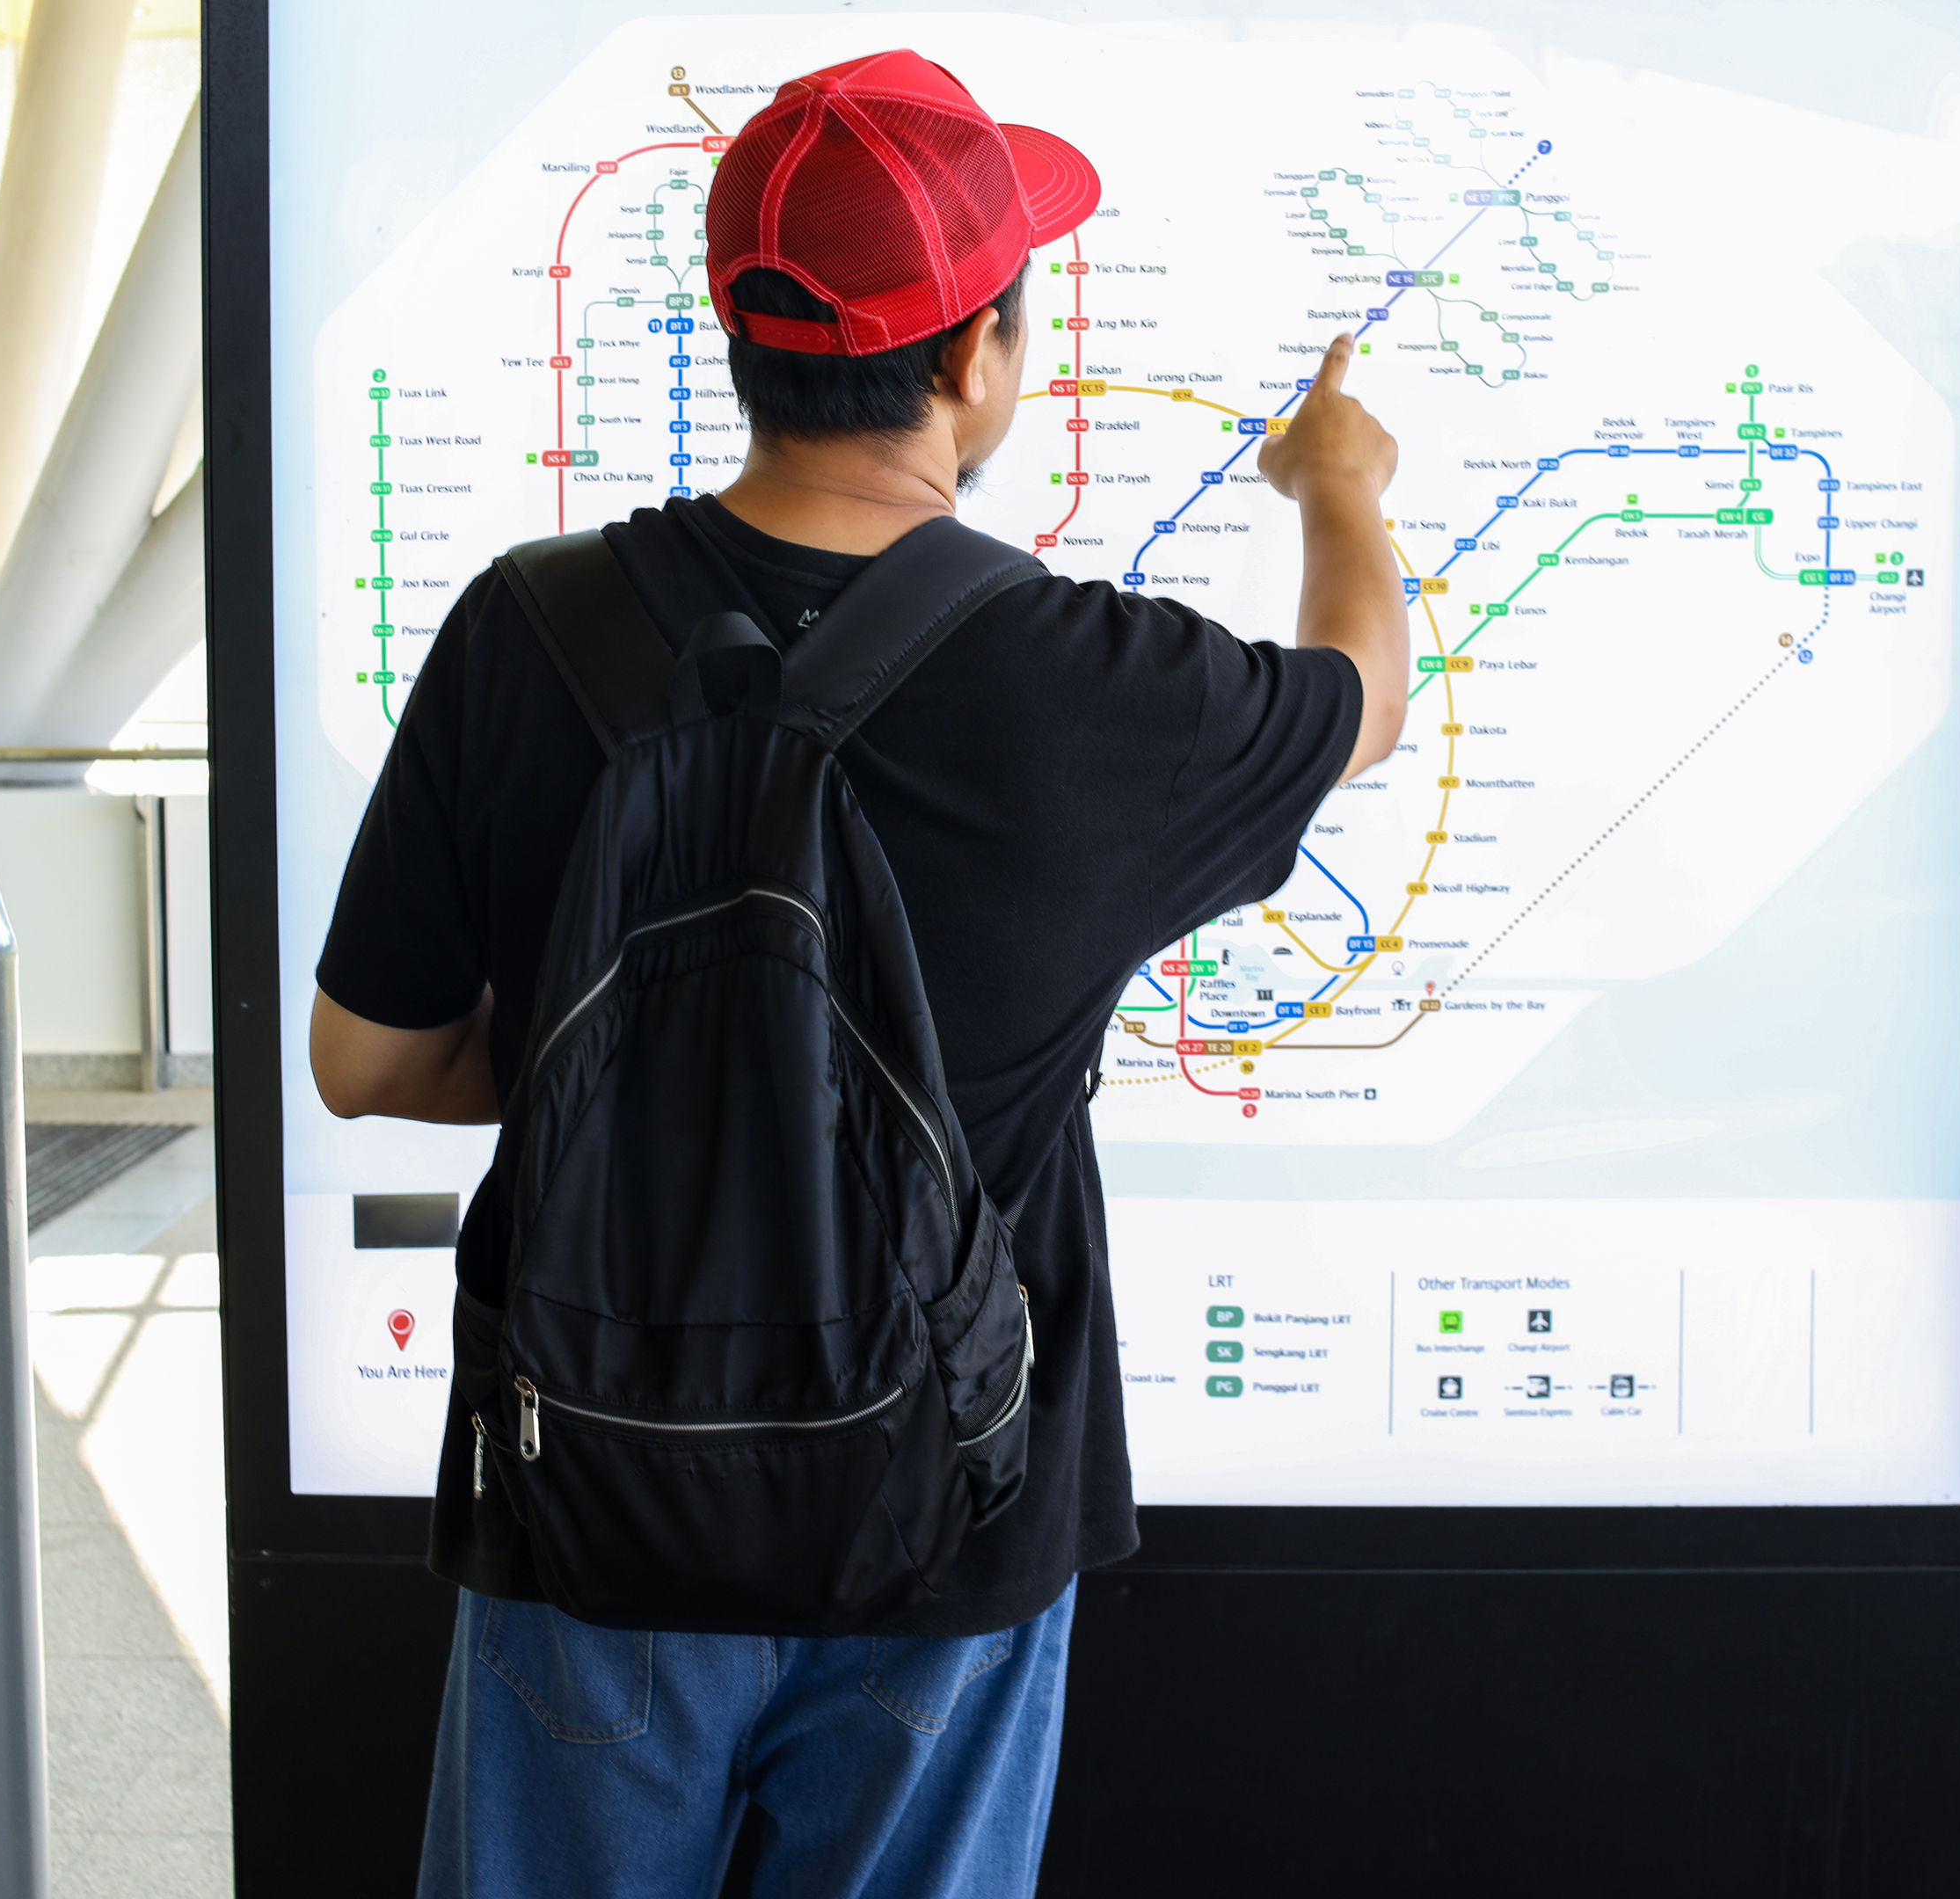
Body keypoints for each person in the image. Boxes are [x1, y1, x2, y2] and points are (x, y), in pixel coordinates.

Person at [308, 47, 1408, 1899]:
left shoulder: (528, 629)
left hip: (591, 1513)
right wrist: (1338, 489)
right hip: (942, 1531)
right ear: (975, 358)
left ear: (740, 333)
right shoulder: (1087, 685)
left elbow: (369, 1059)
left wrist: (635, 1047)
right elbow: (1361, 703)